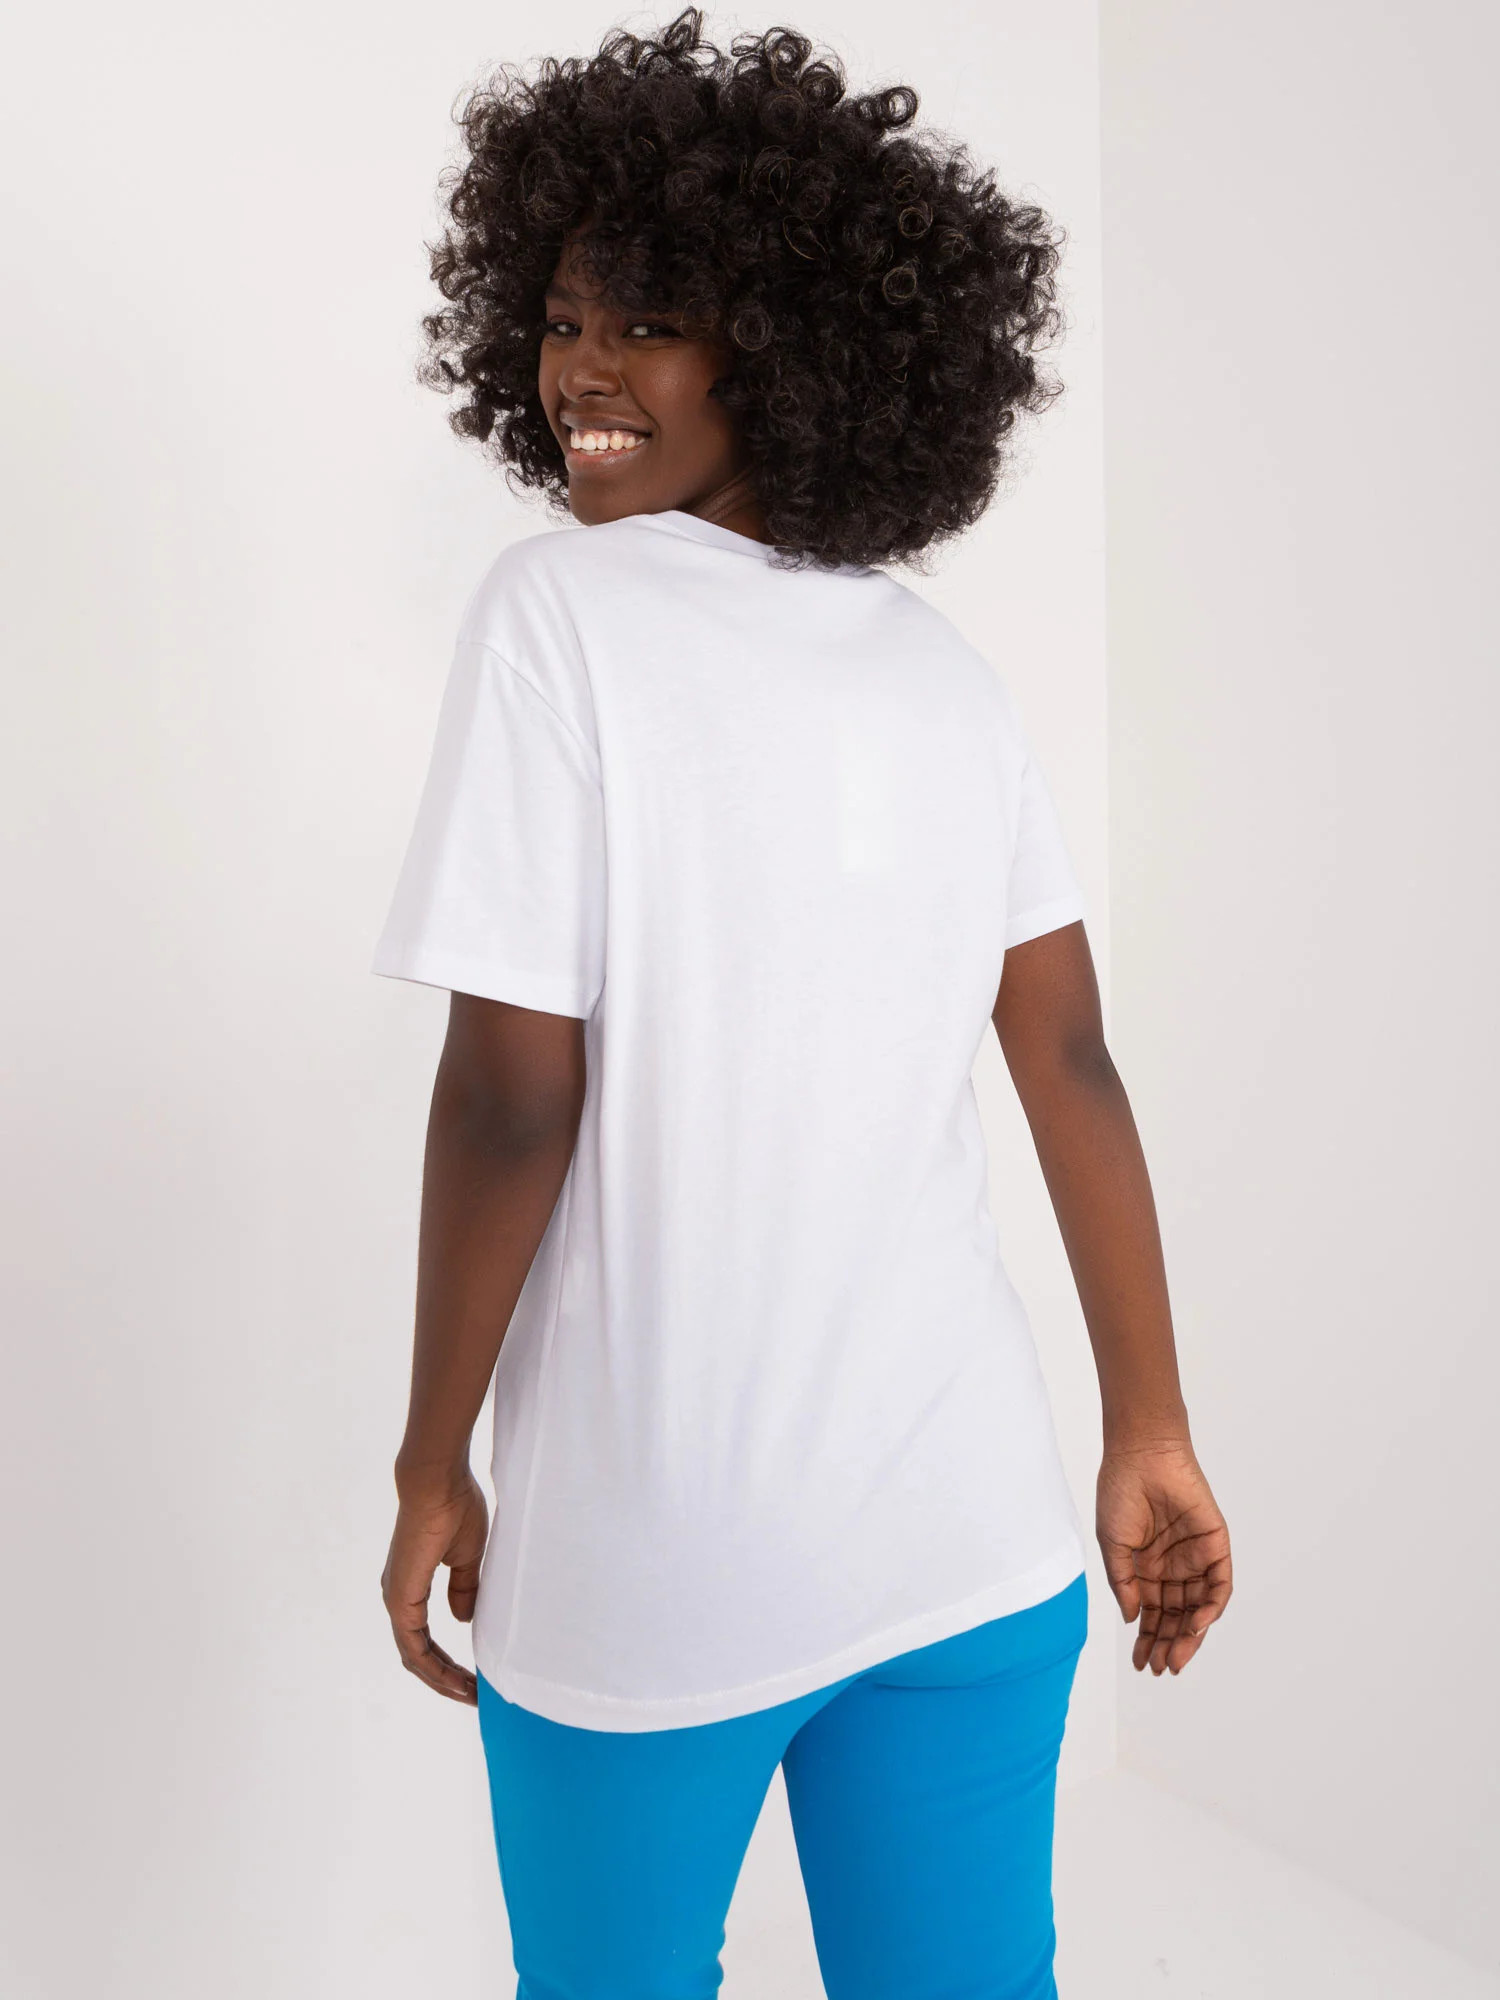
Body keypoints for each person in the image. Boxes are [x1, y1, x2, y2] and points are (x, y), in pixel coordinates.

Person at [370, 11, 1233, 1997]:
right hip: (969, 1542)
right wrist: (1151, 1425)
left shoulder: (555, 617)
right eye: (559, 322)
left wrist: (429, 1464)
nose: (580, 373)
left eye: (648, 324)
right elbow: (1071, 1060)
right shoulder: (937, 669)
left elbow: (510, 1101)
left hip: (656, 1567)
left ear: (785, 351)